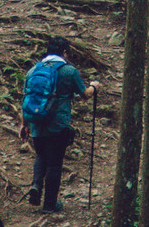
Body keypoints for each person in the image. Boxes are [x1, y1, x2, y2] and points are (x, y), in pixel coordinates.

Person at [19, 40, 96, 212]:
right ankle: (49, 204)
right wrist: (94, 87)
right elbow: (85, 95)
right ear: (64, 52)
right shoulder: (69, 71)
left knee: (41, 155)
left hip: (36, 123)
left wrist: (24, 124)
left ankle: (36, 185)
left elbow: (26, 99)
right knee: (54, 163)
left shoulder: (33, 71)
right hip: (58, 125)